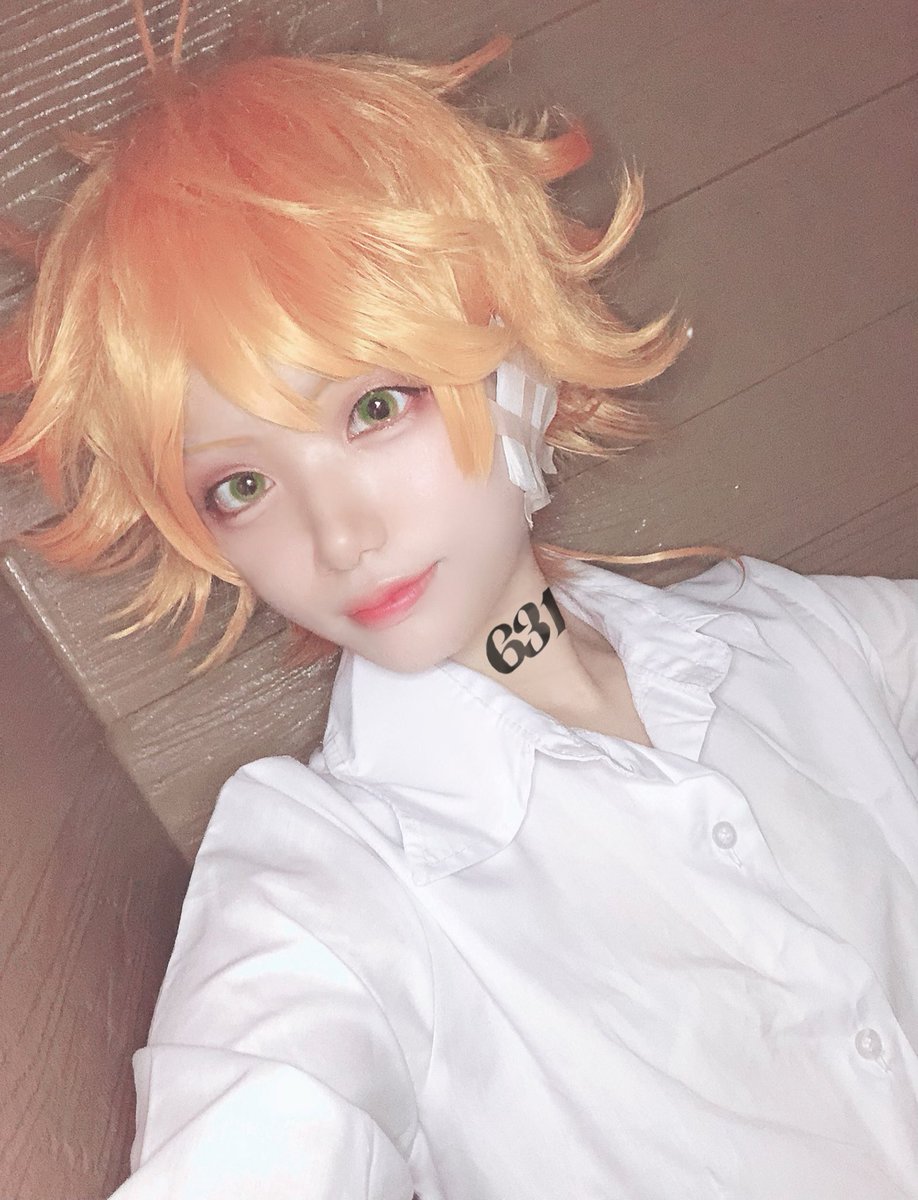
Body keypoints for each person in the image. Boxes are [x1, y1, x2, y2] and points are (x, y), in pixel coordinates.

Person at [1, 8, 917, 1199]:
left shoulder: (803, 638)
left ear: (518, 357)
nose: (337, 537)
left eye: (375, 407)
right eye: (240, 486)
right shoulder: (327, 878)